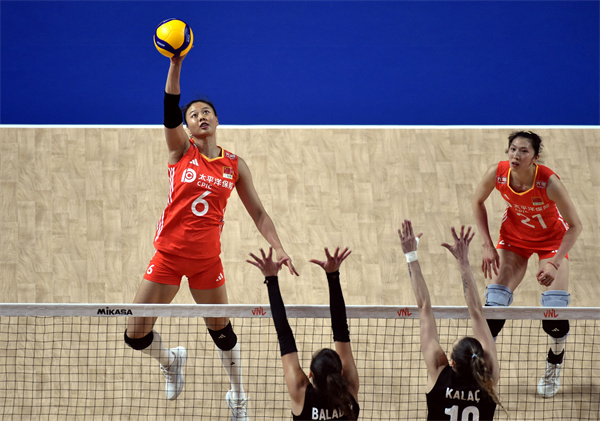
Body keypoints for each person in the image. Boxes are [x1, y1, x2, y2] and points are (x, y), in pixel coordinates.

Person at [124, 51, 298, 420]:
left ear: (217, 120)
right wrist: (175, 64)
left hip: (206, 263)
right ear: (186, 126)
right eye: (193, 114)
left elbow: (259, 213)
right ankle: (171, 361)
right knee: (135, 334)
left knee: (221, 331)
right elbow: (169, 108)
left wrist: (279, 248)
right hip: (168, 257)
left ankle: (238, 396)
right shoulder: (180, 151)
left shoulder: (235, 165)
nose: (201, 116)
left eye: (207, 112)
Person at [472, 130, 582, 398]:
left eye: (524, 151)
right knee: (494, 306)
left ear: (535, 157)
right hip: (514, 240)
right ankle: (483, 370)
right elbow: (477, 201)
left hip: (551, 242)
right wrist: (487, 245)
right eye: (513, 149)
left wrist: (554, 262)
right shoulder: (497, 173)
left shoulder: (548, 182)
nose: (516, 155)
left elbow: (575, 225)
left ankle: (554, 364)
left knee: (554, 313)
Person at [398, 220, 503, 420]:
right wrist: (463, 262)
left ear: (452, 362)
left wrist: (410, 254)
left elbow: (424, 307)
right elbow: (477, 312)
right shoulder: (489, 377)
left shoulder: (439, 371)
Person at [247, 247, 359, 420]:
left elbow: (285, 335)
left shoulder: (301, 391)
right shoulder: (349, 389)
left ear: (311, 375)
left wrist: (271, 278)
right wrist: (333, 276)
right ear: (341, 373)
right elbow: (340, 330)